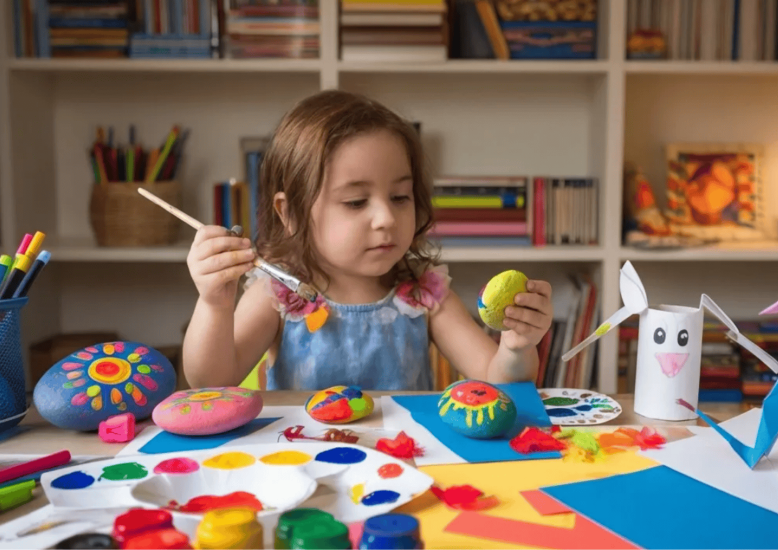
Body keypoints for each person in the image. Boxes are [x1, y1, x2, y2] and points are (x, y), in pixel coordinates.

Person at [181, 90, 554, 391]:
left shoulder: (424, 294)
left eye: (400, 197)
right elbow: (212, 384)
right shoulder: (276, 295)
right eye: (356, 202)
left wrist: (517, 347)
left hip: (405, 468)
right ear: (290, 213)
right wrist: (214, 304)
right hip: (305, 470)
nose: (386, 218)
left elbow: (498, 382)